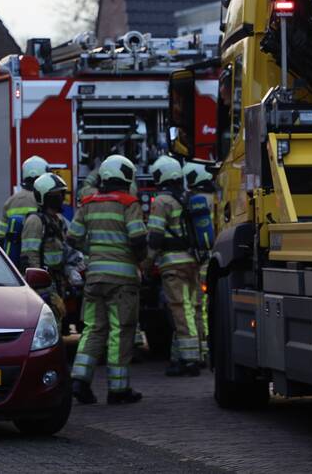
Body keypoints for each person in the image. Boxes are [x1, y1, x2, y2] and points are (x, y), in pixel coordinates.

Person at [68, 154, 147, 405]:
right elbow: (137, 238)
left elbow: (73, 237)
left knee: (93, 329)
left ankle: (79, 380)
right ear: (126, 176)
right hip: (122, 281)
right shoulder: (128, 203)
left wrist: (92, 253)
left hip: (94, 279)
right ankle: (118, 389)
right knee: (120, 331)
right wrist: (140, 260)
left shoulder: (88, 203)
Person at [148, 155, 201, 377]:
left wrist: (146, 264)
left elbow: (155, 237)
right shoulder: (187, 197)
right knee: (192, 309)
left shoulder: (161, 202)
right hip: (192, 261)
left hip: (173, 264)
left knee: (180, 310)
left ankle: (190, 360)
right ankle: (183, 356)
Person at [21, 173, 71, 324]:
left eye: (62, 193)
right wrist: (41, 289)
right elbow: (30, 256)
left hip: (57, 280)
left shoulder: (59, 220)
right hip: (44, 284)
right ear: (45, 197)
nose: (61, 198)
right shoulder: (35, 221)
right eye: (57, 195)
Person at [184, 161, 217, 364]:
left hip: (203, 260)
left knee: (200, 305)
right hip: (217, 256)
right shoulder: (218, 196)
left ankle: (204, 347)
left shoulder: (196, 201)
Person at [0, 155, 48, 269]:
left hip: (13, 262)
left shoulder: (10, 201)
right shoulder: (43, 200)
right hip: (36, 260)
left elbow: (0, 236)